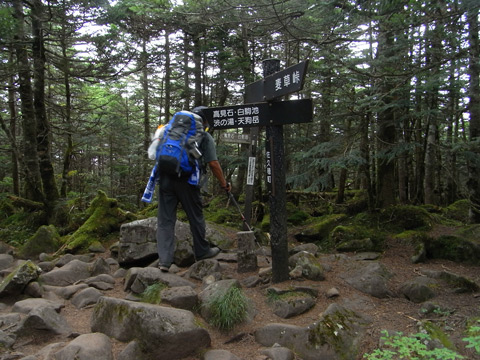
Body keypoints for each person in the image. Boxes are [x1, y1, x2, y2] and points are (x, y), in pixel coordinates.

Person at [156, 106, 231, 272]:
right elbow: (213, 163)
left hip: (166, 177)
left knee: (165, 221)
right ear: (204, 120)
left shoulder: (169, 130)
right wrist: (224, 183)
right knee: (195, 217)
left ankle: (164, 261)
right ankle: (202, 251)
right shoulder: (203, 136)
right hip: (187, 180)